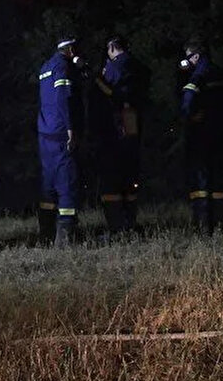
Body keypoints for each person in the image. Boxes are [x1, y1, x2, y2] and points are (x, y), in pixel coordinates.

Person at [180, 40, 223, 233]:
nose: (186, 62)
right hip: (221, 133)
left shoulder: (197, 77)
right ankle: (219, 225)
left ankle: (203, 226)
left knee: (200, 181)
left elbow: (187, 104)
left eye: (188, 57)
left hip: (201, 134)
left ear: (196, 56)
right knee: (218, 179)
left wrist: (188, 118)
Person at [94, 35, 147, 235]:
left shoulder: (115, 67)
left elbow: (108, 93)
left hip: (115, 130)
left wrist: (97, 78)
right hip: (133, 127)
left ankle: (117, 228)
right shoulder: (138, 67)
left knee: (112, 180)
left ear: (111, 48)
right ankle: (130, 224)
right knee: (130, 178)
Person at [37, 36, 84, 248]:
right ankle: (65, 238)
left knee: (48, 184)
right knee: (67, 182)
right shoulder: (63, 67)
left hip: (45, 133)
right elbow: (63, 99)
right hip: (61, 133)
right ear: (71, 49)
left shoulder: (45, 67)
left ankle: (46, 235)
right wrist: (71, 128)